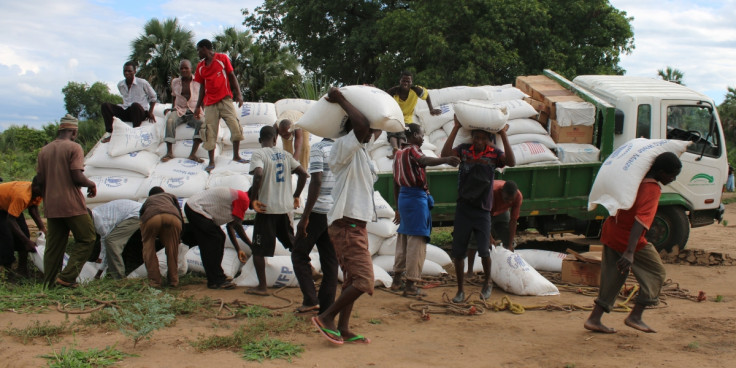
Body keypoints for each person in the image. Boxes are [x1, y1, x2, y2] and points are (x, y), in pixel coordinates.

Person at [584, 152, 682, 334]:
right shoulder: (652, 189)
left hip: (612, 230)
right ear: (660, 171)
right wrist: (630, 251)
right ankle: (635, 316)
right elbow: (640, 221)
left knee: (614, 275)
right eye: (672, 174)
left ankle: (594, 319)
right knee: (656, 272)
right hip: (628, 238)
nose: (673, 178)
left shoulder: (634, 180)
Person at [312, 87, 381, 345]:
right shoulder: (341, 147)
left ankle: (343, 326)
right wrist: (341, 99)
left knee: (352, 279)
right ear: (351, 128)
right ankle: (326, 317)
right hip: (346, 225)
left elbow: (372, 126)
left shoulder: (362, 151)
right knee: (364, 281)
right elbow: (363, 125)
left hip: (355, 225)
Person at [441, 115, 515, 302]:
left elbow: (511, 162)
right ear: (472, 138)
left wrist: (504, 135)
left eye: (483, 138)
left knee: (484, 251)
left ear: (489, 140)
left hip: (483, 211)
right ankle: (460, 290)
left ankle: (487, 282)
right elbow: (445, 155)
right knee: (458, 252)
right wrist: (456, 127)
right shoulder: (464, 151)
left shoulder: (494, 154)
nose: (479, 141)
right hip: (464, 209)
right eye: (476, 137)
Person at [390, 124, 460, 296]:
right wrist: (446, 159)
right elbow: (424, 161)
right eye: (422, 135)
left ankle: (397, 280)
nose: (422, 138)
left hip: (404, 199)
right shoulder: (413, 150)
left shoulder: (398, 153)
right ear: (414, 135)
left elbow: (395, 183)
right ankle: (411, 285)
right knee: (417, 242)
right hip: (415, 199)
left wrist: (398, 207)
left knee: (404, 238)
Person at [36, 114, 97, 288]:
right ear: (74, 131)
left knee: (54, 247)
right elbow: (77, 176)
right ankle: (67, 277)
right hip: (71, 205)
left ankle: (48, 283)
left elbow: (39, 181)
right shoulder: (74, 147)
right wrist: (91, 184)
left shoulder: (44, 150)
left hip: (51, 205)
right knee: (87, 238)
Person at [247, 125, 308, 296]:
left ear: (261, 140)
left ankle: (262, 287)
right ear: (275, 139)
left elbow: (258, 174)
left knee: (258, 249)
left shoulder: (259, 154)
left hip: (266, 209)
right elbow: (304, 174)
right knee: (293, 243)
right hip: (284, 208)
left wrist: (254, 199)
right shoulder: (286, 155)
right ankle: (309, 270)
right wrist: (296, 195)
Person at [291, 136, 338, 314]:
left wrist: (305, 216)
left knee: (299, 254)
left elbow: (317, 180)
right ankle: (327, 307)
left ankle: (310, 299)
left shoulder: (319, 148)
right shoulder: (342, 149)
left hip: (318, 211)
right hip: (334, 211)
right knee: (330, 260)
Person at [193, 39, 248, 172]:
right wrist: (198, 105)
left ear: (205, 48)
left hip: (225, 99)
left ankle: (236, 156)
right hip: (210, 103)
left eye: (199, 50)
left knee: (235, 126)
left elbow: (232, 76)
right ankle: (211, 161)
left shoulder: (222, 59)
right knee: (209, 131)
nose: (198, 53)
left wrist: (239, 94)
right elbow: (202, 87)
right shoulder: (200, 66)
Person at [184, 187, 251, 289]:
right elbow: (238, 227)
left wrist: (238, 249)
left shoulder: (241, 197)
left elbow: (230, 226)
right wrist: (251, 246)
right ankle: (216, 280)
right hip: (196, 208)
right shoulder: (244, 199)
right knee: (214, 240)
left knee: (219, 237)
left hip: (196, 209)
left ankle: (216, 277)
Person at [465, 180, 523, 277]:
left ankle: (508, 270)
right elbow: (483, 218)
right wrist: (490, 238)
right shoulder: (490, 192)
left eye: (511, 200)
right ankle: (470, 271)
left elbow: (513, 221)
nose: (509, 202)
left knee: (508, 237)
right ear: (502, 192)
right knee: (475, 239)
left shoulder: (518, 197)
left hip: (502, 211)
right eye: (506, 199)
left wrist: (509, 243)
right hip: (481, 211)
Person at [385, 71, 442, 159]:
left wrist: (431, 109)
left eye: (408, 81)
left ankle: (399, 150)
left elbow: (426, 96)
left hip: (407, 119)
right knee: (392, 132)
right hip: (394, 117)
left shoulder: (416, 90)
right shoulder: (394, 91)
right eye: (403, 81)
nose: (405, 83)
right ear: (400, 81)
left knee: (402, 133)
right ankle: (395, 149)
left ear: (411, 82)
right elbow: (384, 99)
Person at [100, 61, 157, 143]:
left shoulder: (142, 83)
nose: (126, 73)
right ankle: (112, 133)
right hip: (127, 111)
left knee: (135, 106)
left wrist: (150, 112)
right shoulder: (120, 85)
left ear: (134, 71)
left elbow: (153, 97)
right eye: (125, 71)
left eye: (129, 71)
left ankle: (134, 132)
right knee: (105, 106)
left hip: (139, 112)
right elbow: (125, 99)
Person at [0, 177, 46, 276]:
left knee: (24, 233)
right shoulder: (22, 196)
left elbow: (33, 209)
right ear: (35, 187)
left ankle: (22, 269)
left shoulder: (39, 192)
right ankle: (6, 270)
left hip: (10, 206)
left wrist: (42, 228)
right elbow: (10, 220)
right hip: (2, 207)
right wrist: (26, 241)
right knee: (6, 238)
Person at [139, 187, 184, 288]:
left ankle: (155, 281)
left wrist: (147, 236)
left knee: (149, 248)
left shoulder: (149, 200)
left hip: (151, 217)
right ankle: (173, 280)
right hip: (172, 217)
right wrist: (179, 235)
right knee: (172, 249)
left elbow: (141, 215)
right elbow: (179, 212)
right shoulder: (170, 196)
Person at [161, 59, 204, 163]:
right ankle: (169, 152)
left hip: (193, 110)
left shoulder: (198, 81)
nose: (184, 70)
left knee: (202, 123)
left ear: (191, 69)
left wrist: (202, 111)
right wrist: (172, 109)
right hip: (179, 109)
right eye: (181, 68)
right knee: (170, 120)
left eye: (186, 68)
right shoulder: (175, 82)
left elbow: (203, 97)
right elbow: (174, 97)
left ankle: (193, 154)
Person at [90, 199, 142, 279]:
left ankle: (118, 277)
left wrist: (100, 271)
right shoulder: (95, 212)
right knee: (111, 240)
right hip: (131, 212)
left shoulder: (101, 224)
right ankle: (111, 272)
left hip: (136, 214)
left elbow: (105, 245)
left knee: (112, 242)